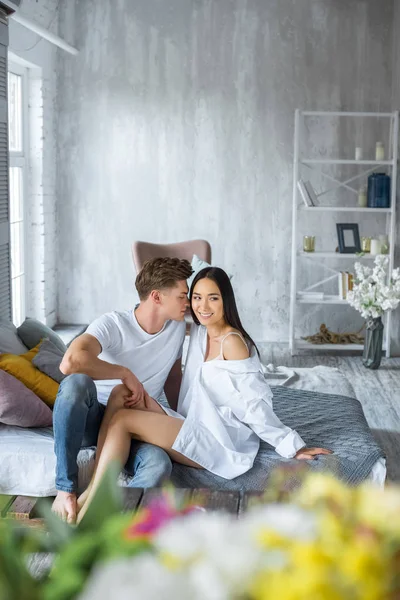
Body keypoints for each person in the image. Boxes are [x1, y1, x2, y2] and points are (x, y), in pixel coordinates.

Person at [77, 267, 332, 522]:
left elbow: (254, 407)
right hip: (191, 422)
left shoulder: (232, 342)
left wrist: (292, 446)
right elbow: (159, 307)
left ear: (226, 300)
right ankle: (90, 488)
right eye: (196, 297)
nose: (203, 306)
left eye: (213, 297)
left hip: (217, 442)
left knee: (124, 420)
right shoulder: (200, 331)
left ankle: (92, 506)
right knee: (122, 392)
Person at [51, 257, 193, 523]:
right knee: (76, 384)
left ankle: (115, 523)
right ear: (157, 297)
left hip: (135, 423)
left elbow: (174, 378)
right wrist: (123, 373)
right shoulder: (113, 324)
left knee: (159, 464)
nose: (187, 302)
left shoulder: (176, 328)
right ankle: (65, 490)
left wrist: (179, 419)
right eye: (182, 296)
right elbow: (69, 362)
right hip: (92, 420)